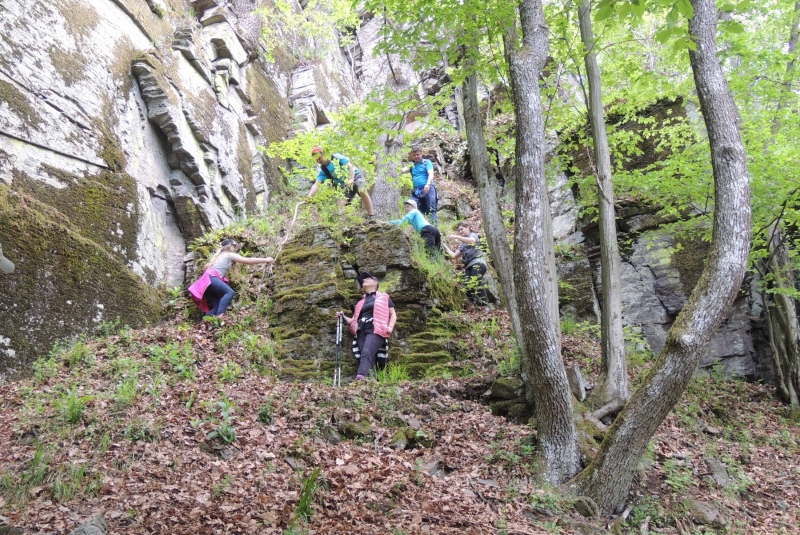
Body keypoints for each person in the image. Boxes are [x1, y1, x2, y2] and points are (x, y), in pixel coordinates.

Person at [188, 239, 274, 317]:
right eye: (234, 246)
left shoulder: (217, 257)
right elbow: (249, 260)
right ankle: (220, 316)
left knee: (217, 306)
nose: (235, 249)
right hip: (212, 279)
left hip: (205, 283)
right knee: (230, 292)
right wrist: (266, 259)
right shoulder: (229, 255)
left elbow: (206, 271)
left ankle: (203, 324)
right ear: (230, 246)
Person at [336, 272, 397, 379]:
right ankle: (371, 384)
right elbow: (353, 320)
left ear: (375, 283)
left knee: (366, 352)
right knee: (369, 358)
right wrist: (342, 316)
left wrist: (390, 327)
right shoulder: (360, 303)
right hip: (361, 331)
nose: (364, 280)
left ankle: (359, 378)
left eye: (367, 279)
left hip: (377, 329)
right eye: (363, 280)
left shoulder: (384, 297)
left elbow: (393, 314)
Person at [308, 146, 375, 218]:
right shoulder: (324, 170)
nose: (318, 160)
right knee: (340, 202)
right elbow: (316, 184)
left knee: (362, 190)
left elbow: (350, 166)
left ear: (324, 153)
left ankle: (371, 216)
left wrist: (351, 179)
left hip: (355, 176)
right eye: (315, 159)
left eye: (319, 157)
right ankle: (342, 223)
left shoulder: (336, 157)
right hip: (343, 186)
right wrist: (309, 197)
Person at [443, 222, 489, 306]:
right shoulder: (463, 244)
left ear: (468, 227)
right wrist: (443, 245)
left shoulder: (473, 235)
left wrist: (456, 237)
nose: (460, 231)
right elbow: (454, 255)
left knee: (476, 281)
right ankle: (478, 305)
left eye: (461, 229)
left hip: (478, 262)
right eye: (458, 230)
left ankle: (486, 305)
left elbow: (472, 241)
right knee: (467, 284)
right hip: (469, 266)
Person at [407, 146, 437, 223]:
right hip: (417, 191)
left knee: (431, 208)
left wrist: (427, 184)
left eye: (418, 154)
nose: (416, 156)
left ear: (421, 154)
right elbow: (402, 170)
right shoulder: (411, 165)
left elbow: (431, 174)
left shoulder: (426, 162)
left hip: (428, 188)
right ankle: (417, 228)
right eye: (414, 155)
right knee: (411, 206)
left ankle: (434, 228)